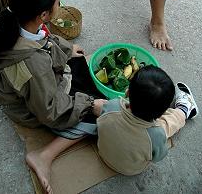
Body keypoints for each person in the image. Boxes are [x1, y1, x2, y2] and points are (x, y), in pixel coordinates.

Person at [0, 0, 106, 190]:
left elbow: (43, 38)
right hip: (30, 108)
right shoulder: (35, 64)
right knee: (102, 120)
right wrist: (90, 105)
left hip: (36, 86)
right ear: (43, 14)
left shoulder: (14, 18)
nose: (60, 5)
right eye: (58, 2)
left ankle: (86, 102)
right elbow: (49, 111)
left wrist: (66, 49)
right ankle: (43, 156)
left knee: (78, 64)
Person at [26, 65, 198, 193]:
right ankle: (184, 109)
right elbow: (158, 156)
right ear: (162, 112)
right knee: (169, 124)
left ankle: (184, 108)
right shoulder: (156, 135)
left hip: (104, 152)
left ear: (127, 93)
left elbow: (101, 109)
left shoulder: (113, 106)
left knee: (104, 119)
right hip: (131, 169)